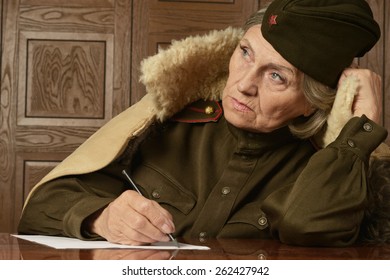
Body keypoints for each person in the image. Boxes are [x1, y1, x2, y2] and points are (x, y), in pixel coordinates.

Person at [18, 0, 389, 247]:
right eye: (244, 53)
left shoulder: (327, 167)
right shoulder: (164, 123)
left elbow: (310, 227)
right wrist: (100, 217)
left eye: (276, 76)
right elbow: (41, 207)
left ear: (313, 103)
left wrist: (359, 134)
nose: (243, 84)